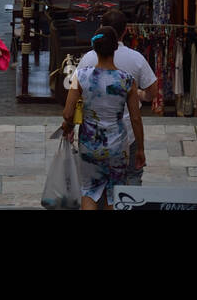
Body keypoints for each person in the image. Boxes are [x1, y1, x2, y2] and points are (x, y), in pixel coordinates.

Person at [61, 26, 144, 210]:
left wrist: (68, 126)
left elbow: (68, 113)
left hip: (90, 143)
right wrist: (140, 149)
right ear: (115, 48)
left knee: (89, 190)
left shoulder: (80, 76)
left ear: (94, 49)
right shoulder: (127, 80)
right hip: (118, 145)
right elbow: (136, 119)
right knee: (114, 194)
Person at [73, 9, 156, 186]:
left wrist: (68, 125)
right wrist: (141, 94)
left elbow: (72, 99)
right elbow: (148, 97)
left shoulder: (87, 60)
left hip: (92, 136)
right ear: (125, 30)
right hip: (125, 135)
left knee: (91, 188)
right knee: (130, 180)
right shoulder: (136, 61)